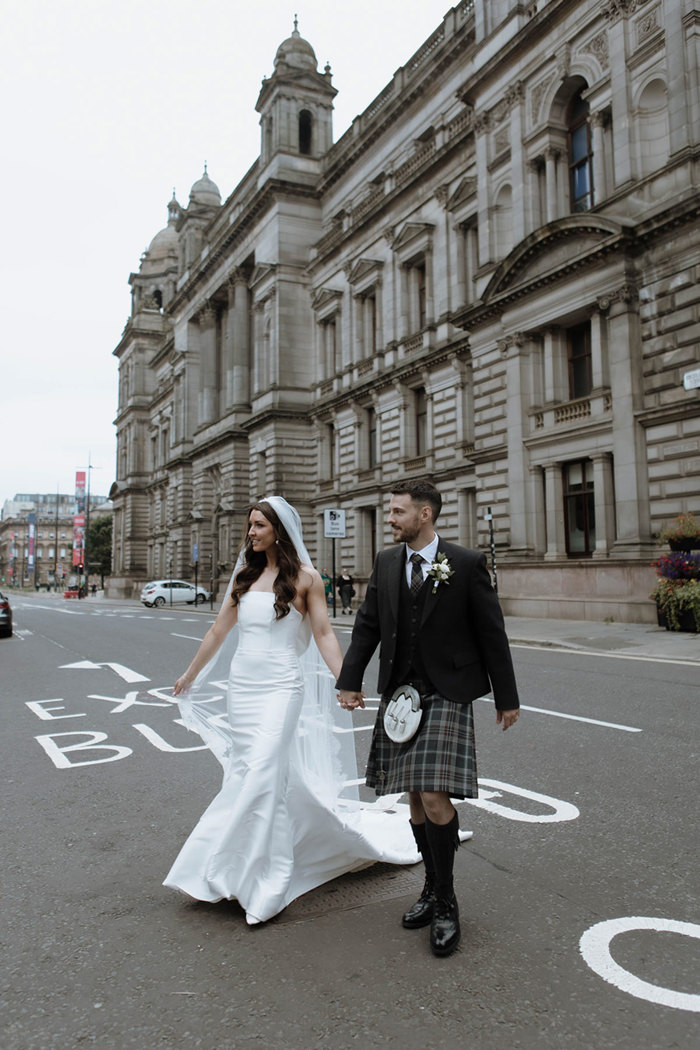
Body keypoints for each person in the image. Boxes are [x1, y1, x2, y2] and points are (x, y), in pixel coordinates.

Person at [165, 496, 421, 925]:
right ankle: (238, 866)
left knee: (263, 770)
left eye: (258, 525)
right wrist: (190, 674)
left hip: (282, 688)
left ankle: (266, 879)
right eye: (250, 525)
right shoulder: (244, 578)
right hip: (242, 689)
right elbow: (217, 631)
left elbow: (323, 633)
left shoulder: (306, 579)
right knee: (252, 774)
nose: (251, 532)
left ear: (278, 531)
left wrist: (347, 681)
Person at [337, 479, 520, 957]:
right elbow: (369, 624)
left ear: (425, 515)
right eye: (390, 511)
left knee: (436, 797)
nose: (391, 519)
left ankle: (447, 902)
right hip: (401, 694)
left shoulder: (464, 564)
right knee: (415, 797)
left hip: (448, 690)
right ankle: (431, 888)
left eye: (398, 512)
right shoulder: (386, 562)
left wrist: (507, 696)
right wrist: (349, 680)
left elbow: (491, 631)